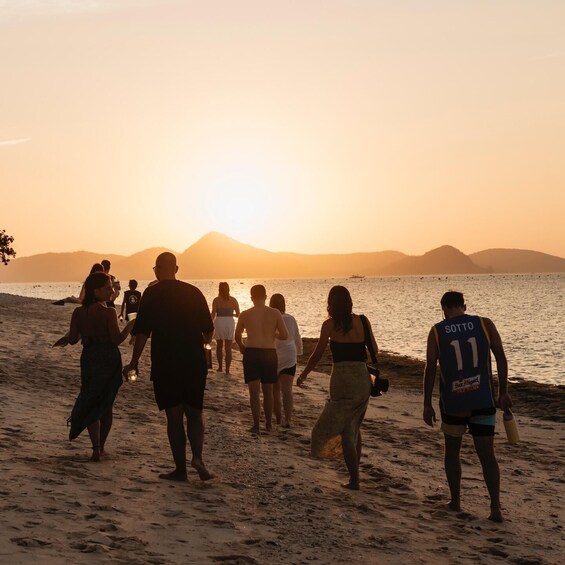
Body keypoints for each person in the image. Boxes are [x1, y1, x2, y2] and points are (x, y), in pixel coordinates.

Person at [122, 252, 215, 482]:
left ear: (157, 270)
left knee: (174, 415)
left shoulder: (152, 294)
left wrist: (134, 362)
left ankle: (180, 470)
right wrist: (200, 344)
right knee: (195, 412)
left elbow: (142, 332)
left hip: (165, 361)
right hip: (193, 361)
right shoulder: (194, 292)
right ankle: (198, 458)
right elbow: (208, 330)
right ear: (176, 269)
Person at [423, 291, 512, 522]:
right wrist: (503, 392)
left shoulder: (437, 331)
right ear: (464, 305)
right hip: (483, 399)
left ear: (443, 308)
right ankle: (495, 507)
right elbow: (501, 358)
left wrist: (427, 403)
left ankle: (455, 501)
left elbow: (430, 368)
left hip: (454, 403)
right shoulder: (484, 324)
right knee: (487, 455)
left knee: (452, 452)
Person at [297, 285, 376, 490]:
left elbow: (317, 354)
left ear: (331, 304)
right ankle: (355, 475)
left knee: (344, 431)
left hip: (342, 380)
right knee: (354, 426)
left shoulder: (329, 325)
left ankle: (354, 480)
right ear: (349, 302)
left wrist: (304, 374)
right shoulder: (363, 321)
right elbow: (374, 350)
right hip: (362, 378)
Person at [67, 272, 135, 461]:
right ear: (96, 291)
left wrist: (85, 332)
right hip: (108, 358)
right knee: (106, 403)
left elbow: (72, 340)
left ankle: (96, 447)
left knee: (91, 399)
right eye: (108, 288)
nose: (112, 291)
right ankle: (101, 447)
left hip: (89, 356)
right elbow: (116, 340)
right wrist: (130, 326)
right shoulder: (109, 312)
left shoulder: (78, 312)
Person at [235, 285, 288, 434]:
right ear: (265, 296)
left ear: (251, 298)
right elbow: (285, 335)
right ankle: (269, 424)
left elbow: (237, 335)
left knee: (254, 392)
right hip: (269, 353)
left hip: (252, 352)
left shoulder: (245, 314)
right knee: (268, 391)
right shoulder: (275, 313)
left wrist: (241, 346)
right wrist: (274, 334)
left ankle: (256, 425)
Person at [269, 293, 302, 428]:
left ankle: (278, 419)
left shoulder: (271, 318)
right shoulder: (291, 319)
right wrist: (298, 352)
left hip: (273, 354)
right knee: (287, 389)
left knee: (275, 389)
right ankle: (288, 419)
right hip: (289, 355)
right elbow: (296, 337)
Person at [211, 282, 240, 374]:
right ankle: (227, 370)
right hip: (229, 322)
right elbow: (238, 314)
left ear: (219, 289)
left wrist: (209, 324)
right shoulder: (233, 300)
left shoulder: (216, 300)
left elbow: (213, 314)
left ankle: (220, 367)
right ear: (228, 289)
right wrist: (230, 314)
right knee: (228, 347)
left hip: (219, 321)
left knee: (219, 346)